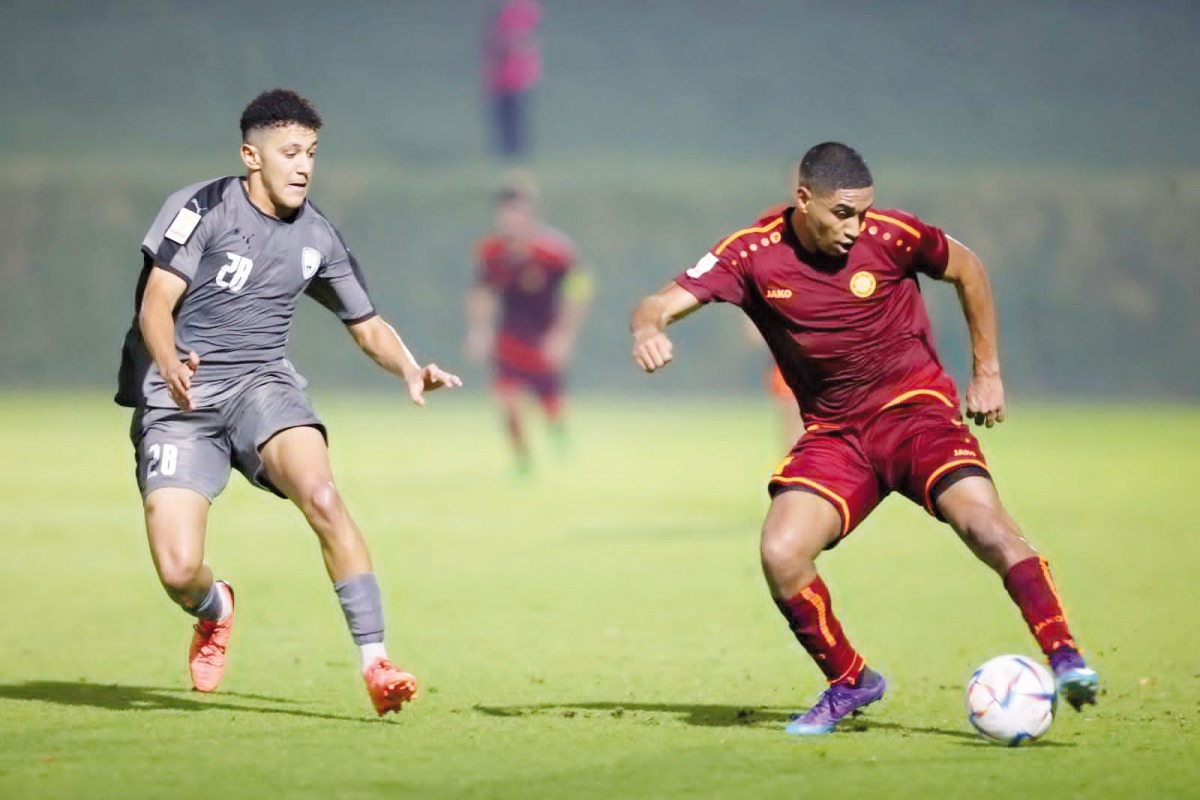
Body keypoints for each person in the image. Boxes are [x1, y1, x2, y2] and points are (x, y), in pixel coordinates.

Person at [629, 142, 1098, 735]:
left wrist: (988, 372)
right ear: (804, 200)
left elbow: (968, 269)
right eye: (842, 213)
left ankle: (1065, 656)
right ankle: (851, 680)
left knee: (985, 524)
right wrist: (648, 330)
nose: (855, 227)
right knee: (781, 552)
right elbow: (657, 304)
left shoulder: (893, 235)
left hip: (916, 416)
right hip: (837, 437)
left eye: (863, 212)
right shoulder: (751, 252)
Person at [114, 88, 461, 716]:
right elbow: (155, 304)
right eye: (290, 152)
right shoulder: (202, 208)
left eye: (312, 153)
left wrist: (410, 369)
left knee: (323, 496)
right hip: (180, 398)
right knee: (178, 570)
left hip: (263, 387)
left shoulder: (317, 236)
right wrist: (167, 361)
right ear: (252, 156)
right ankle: (215, 609)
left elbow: (367, 325)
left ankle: (377, 662)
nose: (304, 166)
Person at [466, 176, 591, 472]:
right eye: (505, 210)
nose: (510, 217)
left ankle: (560, 436)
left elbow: (579, 289)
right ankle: (522, 461)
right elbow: (481, 292)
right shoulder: (492, 252)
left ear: (530, 213)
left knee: (552, 406)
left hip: (544, 338)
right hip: (509, 336)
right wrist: (479, 331)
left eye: (517, 210)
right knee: (506, 401)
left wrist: (564, 335)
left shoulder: (555, 251)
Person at [481, 0, 542, 160]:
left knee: (517, 113)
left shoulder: (525, 8)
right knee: (504, 114)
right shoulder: (504, 10)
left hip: (517, 74)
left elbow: (524, 38)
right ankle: (507, 150)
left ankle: (518, 150)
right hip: (502, 75)